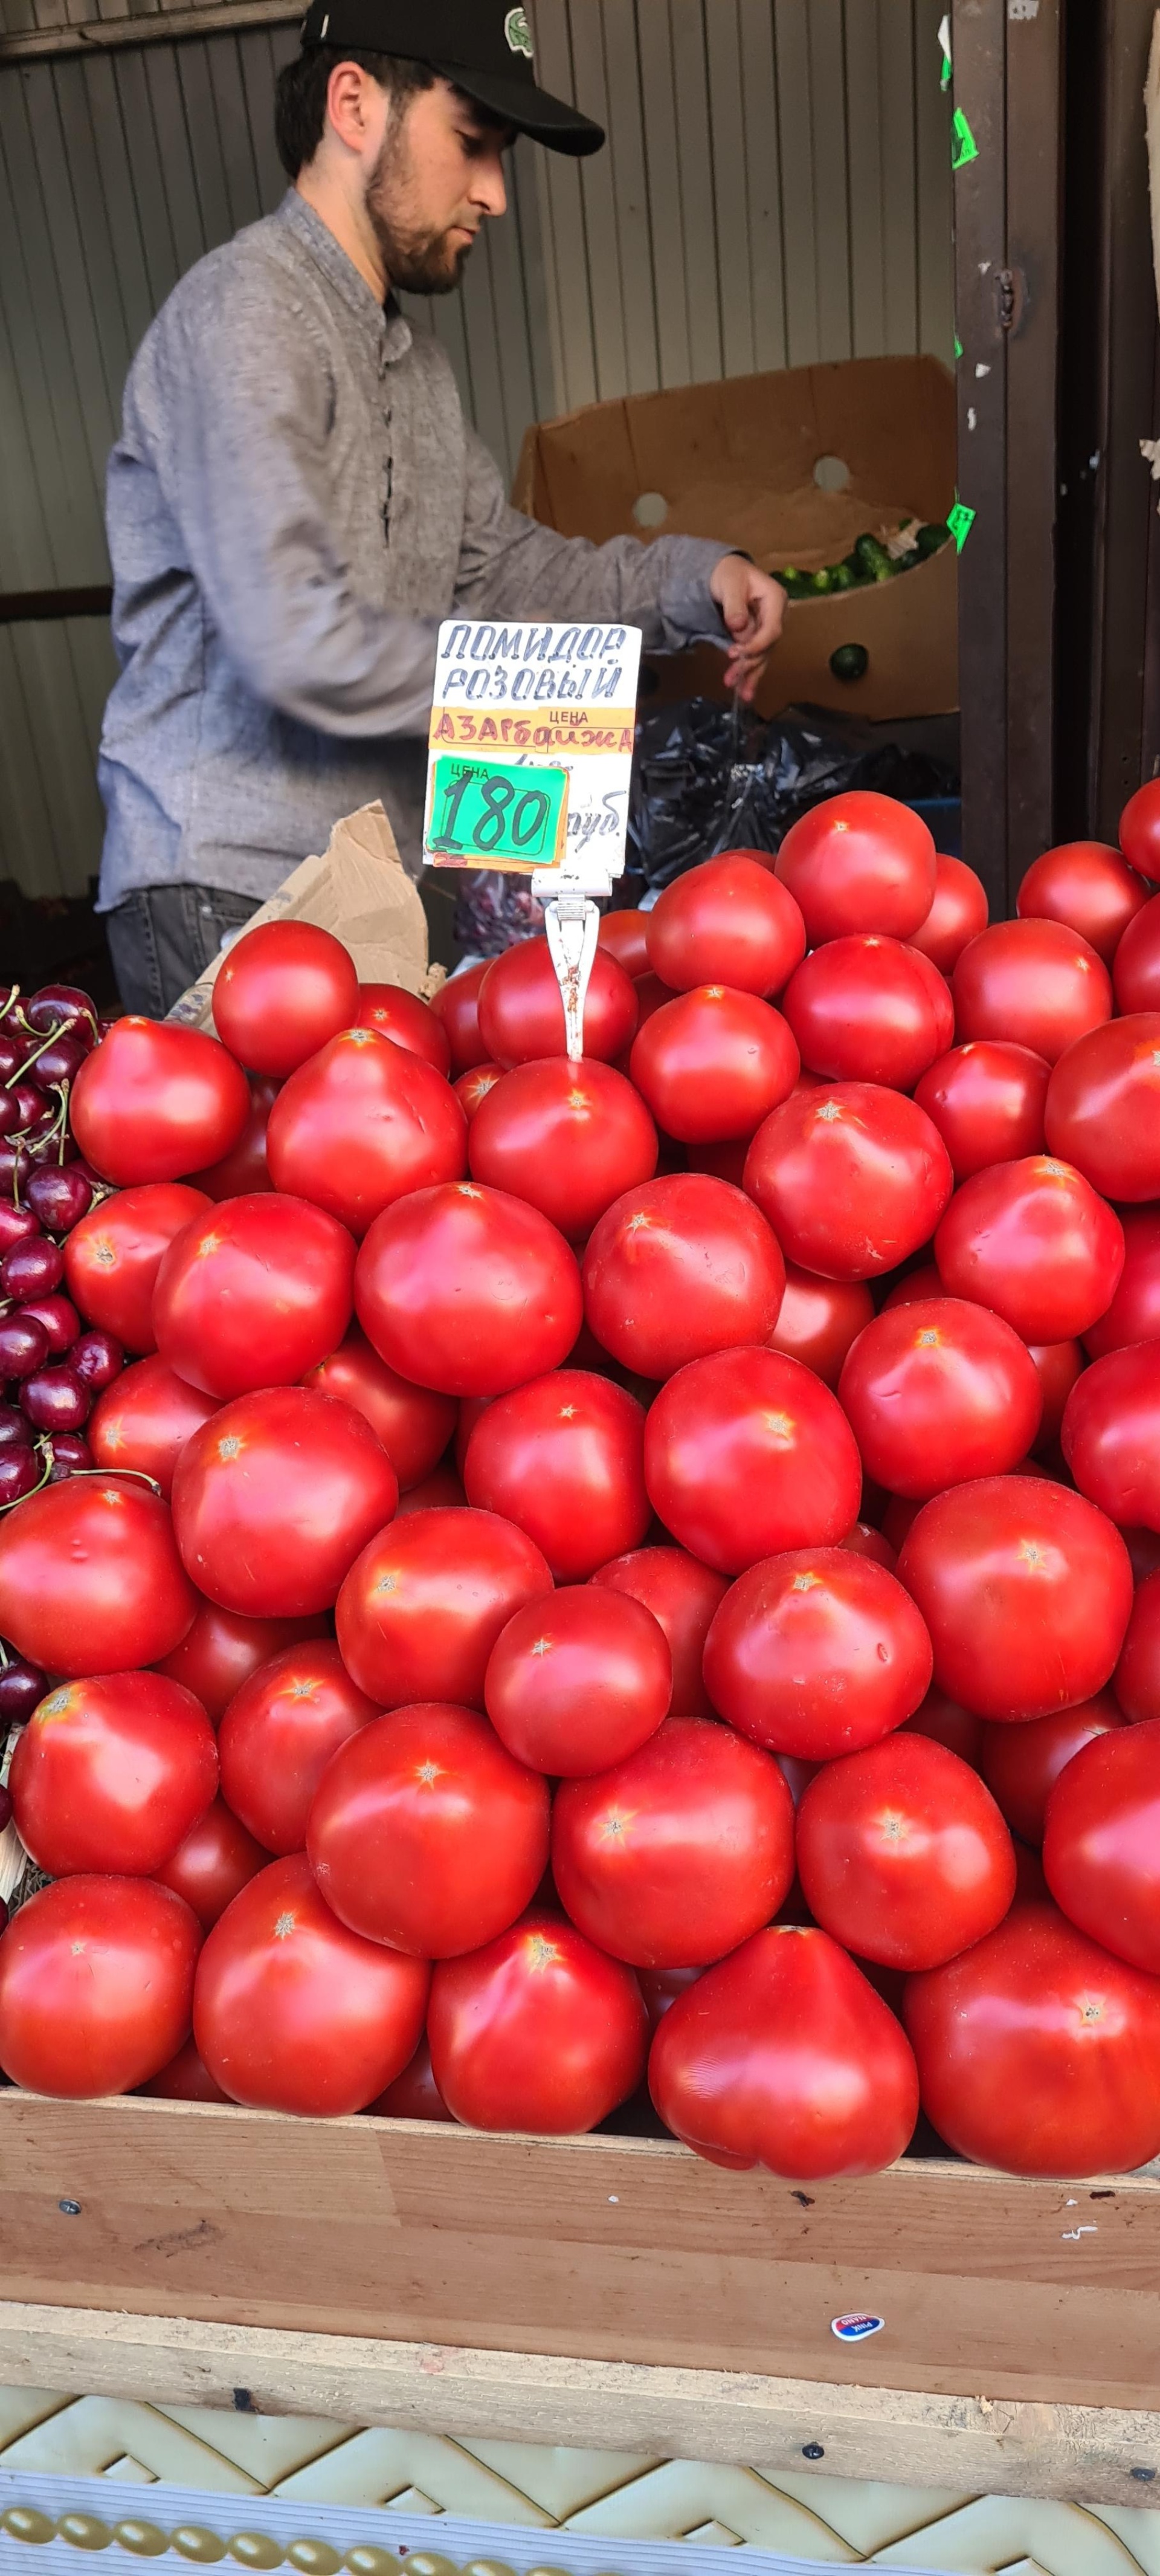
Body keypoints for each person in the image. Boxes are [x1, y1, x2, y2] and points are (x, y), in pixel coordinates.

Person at [95, 0, 785, 1015]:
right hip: (233, 898)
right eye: (474, 144)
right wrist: (561, 705)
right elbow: (294, 641)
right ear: (354, 105)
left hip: (379, 889)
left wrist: (696, 578)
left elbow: (505, 572)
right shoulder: (247, 313)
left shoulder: (415, 366)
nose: (496, 193)